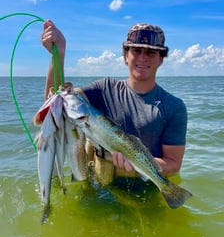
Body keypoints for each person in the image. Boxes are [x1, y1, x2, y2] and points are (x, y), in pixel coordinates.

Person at [41, 20, 187, 183]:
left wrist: (136, 164)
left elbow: (174, 164)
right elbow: (55, 102)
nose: (143, 58)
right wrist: (57, 55)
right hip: (101, 187)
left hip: (146, 191)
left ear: (160, 59)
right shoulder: (104, 89)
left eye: (151, 52)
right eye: (136, 50)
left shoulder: (174, 106)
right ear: (126, 55)